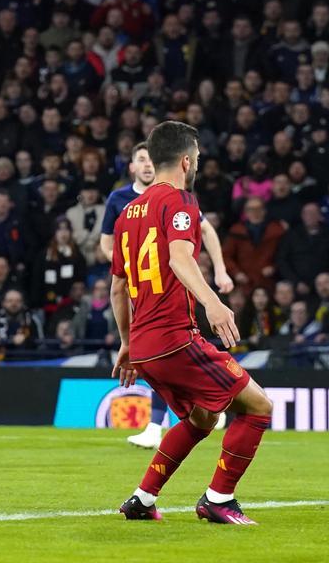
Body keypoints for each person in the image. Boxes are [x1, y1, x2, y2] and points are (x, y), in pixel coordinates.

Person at [111, 120, 273, 525]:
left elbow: (117, 287)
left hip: (146, 347)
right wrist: (214, 304)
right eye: (197, 158)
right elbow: (179, 258)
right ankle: (219, 499)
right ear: (186, 161)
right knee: (258, 407)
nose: (197, 164)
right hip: (175, 339)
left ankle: (142, 498)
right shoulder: (180, 201)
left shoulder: (127, 213)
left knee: (201, 418)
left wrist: (127, 344)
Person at [98, 141, 233, 451]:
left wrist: (221, 270)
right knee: (162, 353)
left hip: (174, 286)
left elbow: (207, 231)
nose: (147, 165)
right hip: (139, 289)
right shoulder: (120, 201)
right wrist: (127, 265)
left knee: (170, 347)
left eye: (150, 159)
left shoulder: (176, 199)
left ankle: (164, 421)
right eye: (140, 160)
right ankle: (207, 403)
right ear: (132, 166)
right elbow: (107, 245)